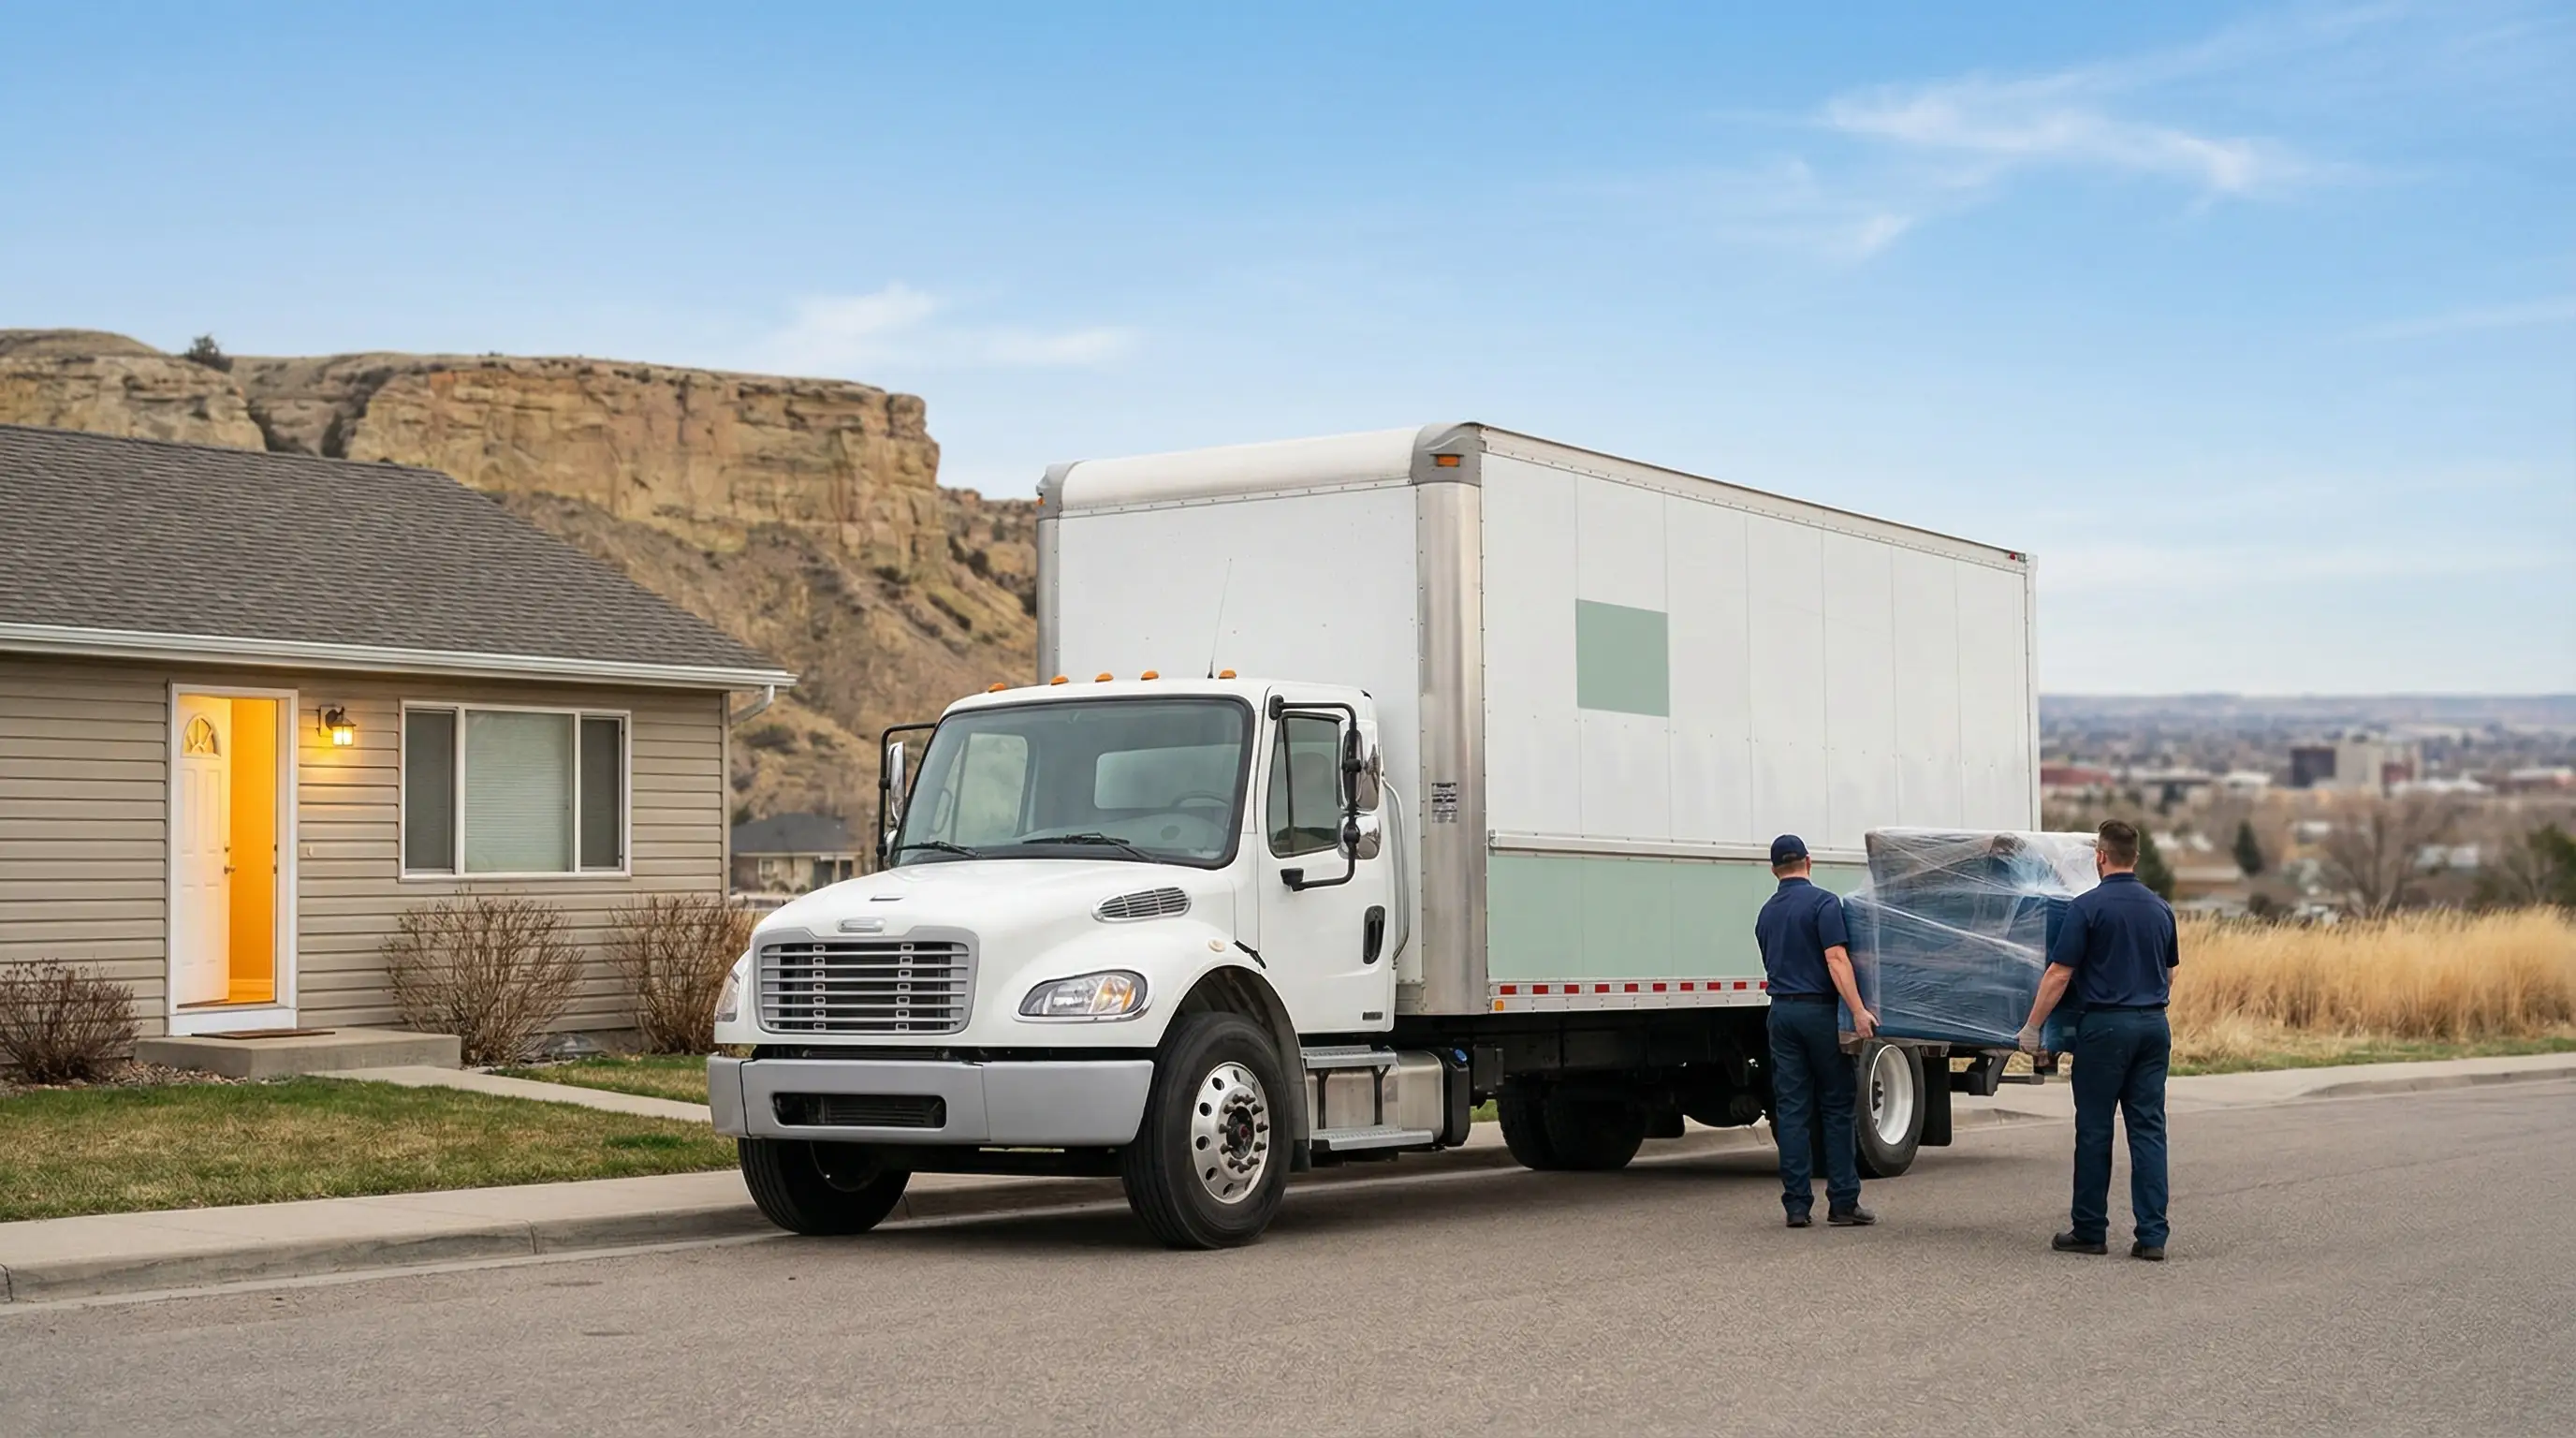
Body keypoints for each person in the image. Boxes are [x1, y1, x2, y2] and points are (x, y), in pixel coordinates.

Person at [2019, 818, 2180, 1261]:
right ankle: (2152, 1236)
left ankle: (2090, 1230)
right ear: (2136, 857)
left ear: (2101, 856)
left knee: (2094, 1129)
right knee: (2148, 1129)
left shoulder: (2087, 907)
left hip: (2105, 1028)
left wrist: (2034, 1027)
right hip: (2152, 1025)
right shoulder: (2160, 908)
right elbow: (2170, 971)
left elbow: (2059, 973)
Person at [1755, 834, 1878, 1229]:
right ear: (1809, 862)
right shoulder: (1825, 903)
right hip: (1820, 1014)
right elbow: (1836, 958)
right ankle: (1843, 1202)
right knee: (1837, 1107)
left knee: (1791, 1110)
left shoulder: (1765, 913)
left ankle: (1795, 1206)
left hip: (1782, 1015)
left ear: (1774, 869)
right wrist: (1859, 1010)